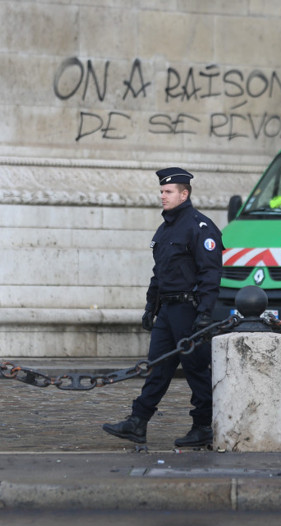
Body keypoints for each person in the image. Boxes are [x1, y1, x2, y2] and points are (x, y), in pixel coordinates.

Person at [102, 167, 223, 447]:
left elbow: (210, 273)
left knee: (196, 369)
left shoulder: (200, 227)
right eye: (161, 191)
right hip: (167, 311)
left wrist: (205, 313)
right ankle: (138, 422)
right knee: (157, 368)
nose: (162, 196)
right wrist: (150, 307)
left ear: (184, 194)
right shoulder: (166, 228)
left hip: (189, 310)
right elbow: (160, 273)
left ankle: (203, 426)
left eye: (168, 192)